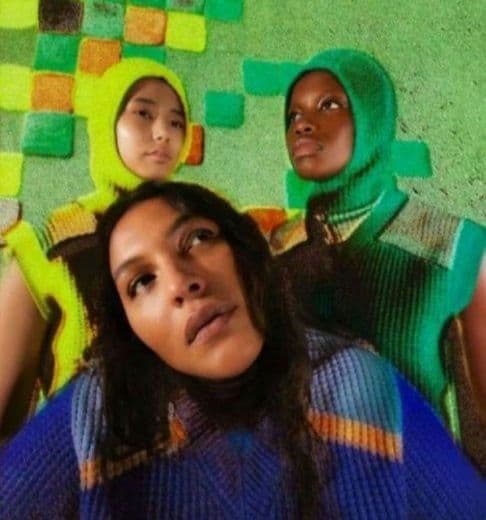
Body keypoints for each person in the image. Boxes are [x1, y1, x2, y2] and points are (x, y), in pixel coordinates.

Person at [0, 181, 484, 518]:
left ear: (246, 253)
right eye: (142, 281)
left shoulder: (357, 385)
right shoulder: (98, 411)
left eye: (197, 239)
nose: (182, 283)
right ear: (132, 331)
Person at [272, 48, 486, 469]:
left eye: (328, 105)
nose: (302, 124)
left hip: (417, 492)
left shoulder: (456, 247)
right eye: (293, 114)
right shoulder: (275, 252)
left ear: (372, 118)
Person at [0, 58, 194, 437]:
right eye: (143, 114)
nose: (162, 134)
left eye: (176, 122)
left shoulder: (202, 237)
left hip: (190, 459)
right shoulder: (54, 244)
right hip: (79, 454)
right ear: (107, 122)